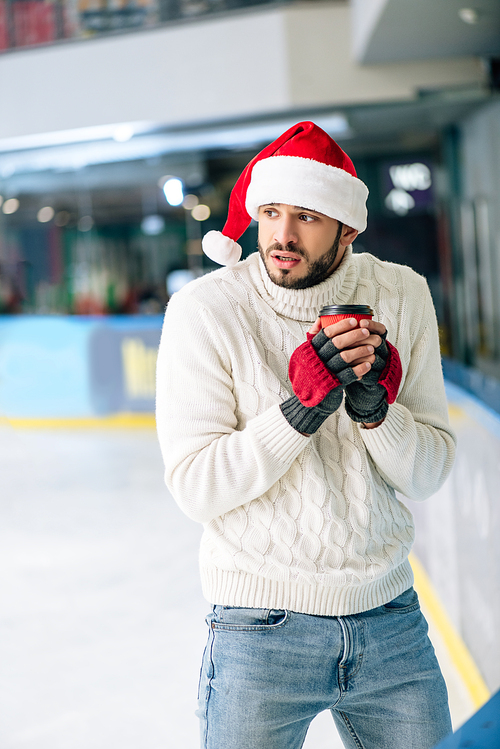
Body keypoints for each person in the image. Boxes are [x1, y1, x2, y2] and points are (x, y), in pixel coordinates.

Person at [156, 121, 456, 749]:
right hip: (258, 632)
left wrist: (377, 413)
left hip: (389, 620)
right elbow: (196, 489)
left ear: (347, 227)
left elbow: (427, 475)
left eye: (307, 217)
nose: (282, 236)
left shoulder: (400, 294)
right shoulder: (206, 310)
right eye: (269, 213)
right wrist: (301, 411)